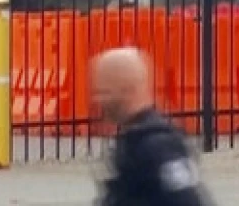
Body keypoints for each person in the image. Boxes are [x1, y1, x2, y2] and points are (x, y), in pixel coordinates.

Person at [91, 47, 213, 206]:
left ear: (128, 90)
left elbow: (187, 200)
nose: (98, 100)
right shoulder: (132, 141)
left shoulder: (158, 145)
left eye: (106, 92)